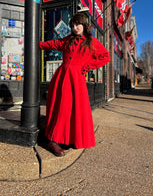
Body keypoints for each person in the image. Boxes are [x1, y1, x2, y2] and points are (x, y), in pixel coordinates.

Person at [39, 13, 110, 156]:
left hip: (77, 80)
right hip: (62, 79)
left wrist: (87, 66)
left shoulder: (92, 42)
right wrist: (37, 44)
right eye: (72, 25)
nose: (75, 28)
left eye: (78, 24)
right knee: (60, 108)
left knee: (75, 110)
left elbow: (105, 56)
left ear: (84, 25)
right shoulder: (67, 40)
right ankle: (53, 140)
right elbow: (53, 44)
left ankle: (70, 138)